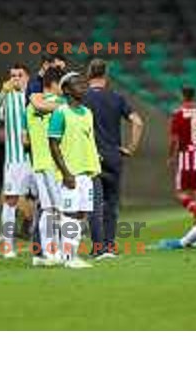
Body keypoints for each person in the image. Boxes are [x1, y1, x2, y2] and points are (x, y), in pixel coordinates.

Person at [84, 58, 144, 257]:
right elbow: (138, 122)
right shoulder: (117, 98)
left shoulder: (82, 98)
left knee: (94, 204)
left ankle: (97, 247)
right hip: (114, 156)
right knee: (111, 203)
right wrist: (131, 148)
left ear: (88, 74)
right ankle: (110, 245)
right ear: (106, 75)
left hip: (91, 157)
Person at [48, 72, 101, 269]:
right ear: (66, 90)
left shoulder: (88, 112)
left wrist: (95, 164)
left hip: (87, 172)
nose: (83, 86)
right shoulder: (60, 112)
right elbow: (53, 144)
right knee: (70, 213)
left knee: (80, 214)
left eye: (83, 82)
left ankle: (68, 254)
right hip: (70, 173)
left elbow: (89, 141)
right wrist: (66, 172)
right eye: (77, 83)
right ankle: (70, 257)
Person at [0, 64, 36, 257]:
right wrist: (2, 92)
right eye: (12, 75)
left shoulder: (36, 97)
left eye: (19, 75)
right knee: (11, 200)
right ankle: (8, 245)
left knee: (46, 200)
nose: (15, 78)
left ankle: (48, 241)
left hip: (36, 158)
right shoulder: (7, 97)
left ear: (27, 77)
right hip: (15, 159)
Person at [26, 66, 66, 265]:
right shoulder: (62, 104)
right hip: (55, 164)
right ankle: (55, 252)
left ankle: (45, 254)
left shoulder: (31, 106)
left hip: (39, 162)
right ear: (55, 84)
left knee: (48, 209)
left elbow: (26, 139)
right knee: (58, 210)